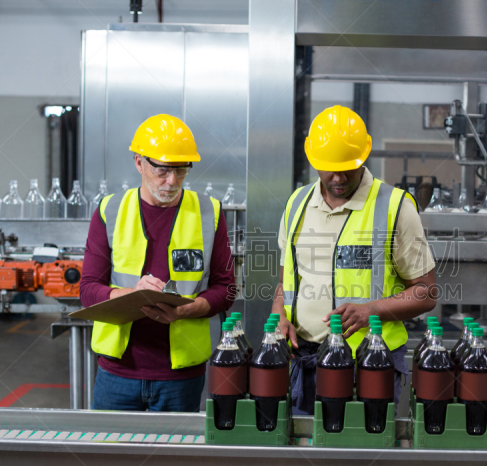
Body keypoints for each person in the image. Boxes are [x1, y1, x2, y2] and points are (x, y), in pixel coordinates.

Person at [272, 105, 437, 414]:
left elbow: (427, 293)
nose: (338, 176)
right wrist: (279, 317)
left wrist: (370, 311)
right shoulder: (297, 204)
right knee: (305, 456)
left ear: (364, 156)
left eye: (348, 166)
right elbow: (286, 282)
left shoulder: (395, 207)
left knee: (363, 452)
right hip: (304, 360)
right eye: (328, 167)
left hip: (370, 362)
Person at [80, 114, 236, 412]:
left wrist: (188, 310)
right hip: (117, 373)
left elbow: (226, 289)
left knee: (173, 458)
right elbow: (87, 290)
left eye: (181, 171)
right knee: (112, 457)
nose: (172, 181)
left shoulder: (208, 213)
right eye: (163, 170)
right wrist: (130, 295)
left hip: (181, 376)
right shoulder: (110, 210)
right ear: (139, 162)